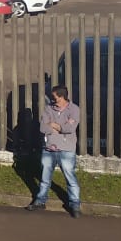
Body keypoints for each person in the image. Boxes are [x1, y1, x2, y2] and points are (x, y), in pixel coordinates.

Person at [26, 84, 81, 218]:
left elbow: (70, 128)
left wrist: (55, 126)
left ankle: (74, 204)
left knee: (70, 177)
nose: (52, 99)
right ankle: (40, 201)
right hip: (49, 148)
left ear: (62, 97)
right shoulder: (48, 108)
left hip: (66, 149)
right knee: (45, 177)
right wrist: (59, 127)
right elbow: (43, 127)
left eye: (54, 97)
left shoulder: (74, 109)